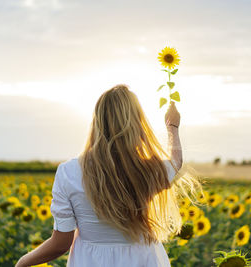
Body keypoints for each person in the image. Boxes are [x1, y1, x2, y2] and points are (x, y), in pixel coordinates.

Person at [15, 84, 202, 267]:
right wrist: (173, 128)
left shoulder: (68, 173)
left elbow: (61, 243)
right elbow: (175, 162)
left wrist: (24, 262)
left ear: (97, 121)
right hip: (144, 259)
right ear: (138, 123)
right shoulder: (147, 171)